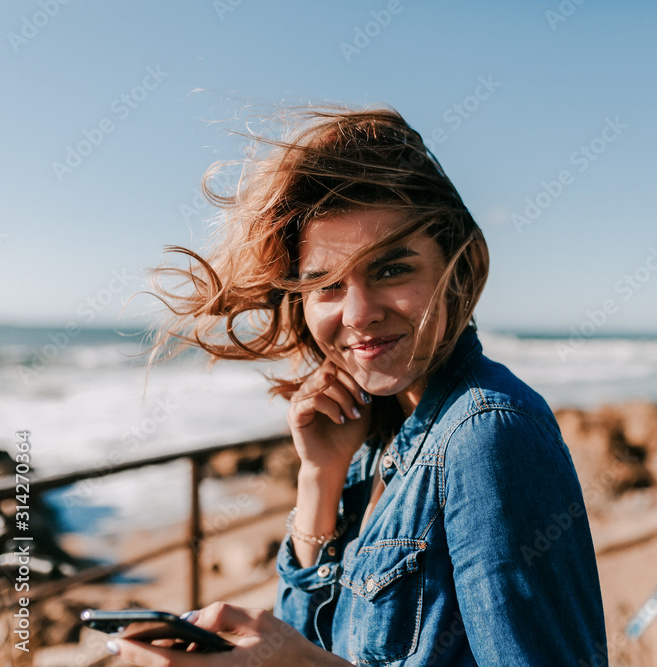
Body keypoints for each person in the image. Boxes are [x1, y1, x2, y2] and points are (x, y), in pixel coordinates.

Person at [114, 107, 607, 665]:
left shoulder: (488, 435)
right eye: (325, 284)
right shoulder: (375, 435)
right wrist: (319, 479)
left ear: (458, 270)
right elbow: (315, 641)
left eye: (392, 270)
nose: (358, 313)